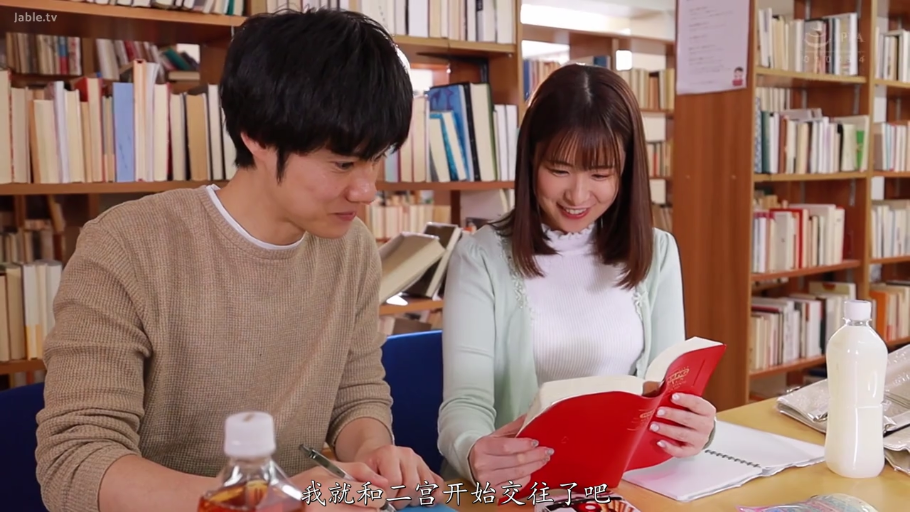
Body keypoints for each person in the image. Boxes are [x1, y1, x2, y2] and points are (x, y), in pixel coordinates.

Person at [35, 9, 443, 512]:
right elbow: (75, 464)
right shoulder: (127, 246)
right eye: (343, 163)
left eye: (377, 158)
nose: (366, 189)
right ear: (258, 136)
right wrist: (257, 500)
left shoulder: (351, 247)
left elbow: (356, 393)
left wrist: (373, 453)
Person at [436, 64, 718, 489]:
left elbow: (669, 391)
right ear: (531, 159)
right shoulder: (480, 257)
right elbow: (464, 403)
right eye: (559, 170)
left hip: (626, 485)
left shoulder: (657, 252)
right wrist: (473, 450)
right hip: (519, 490)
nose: (578, 195)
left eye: (600, 174)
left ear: (626, 172)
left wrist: (695, 428)